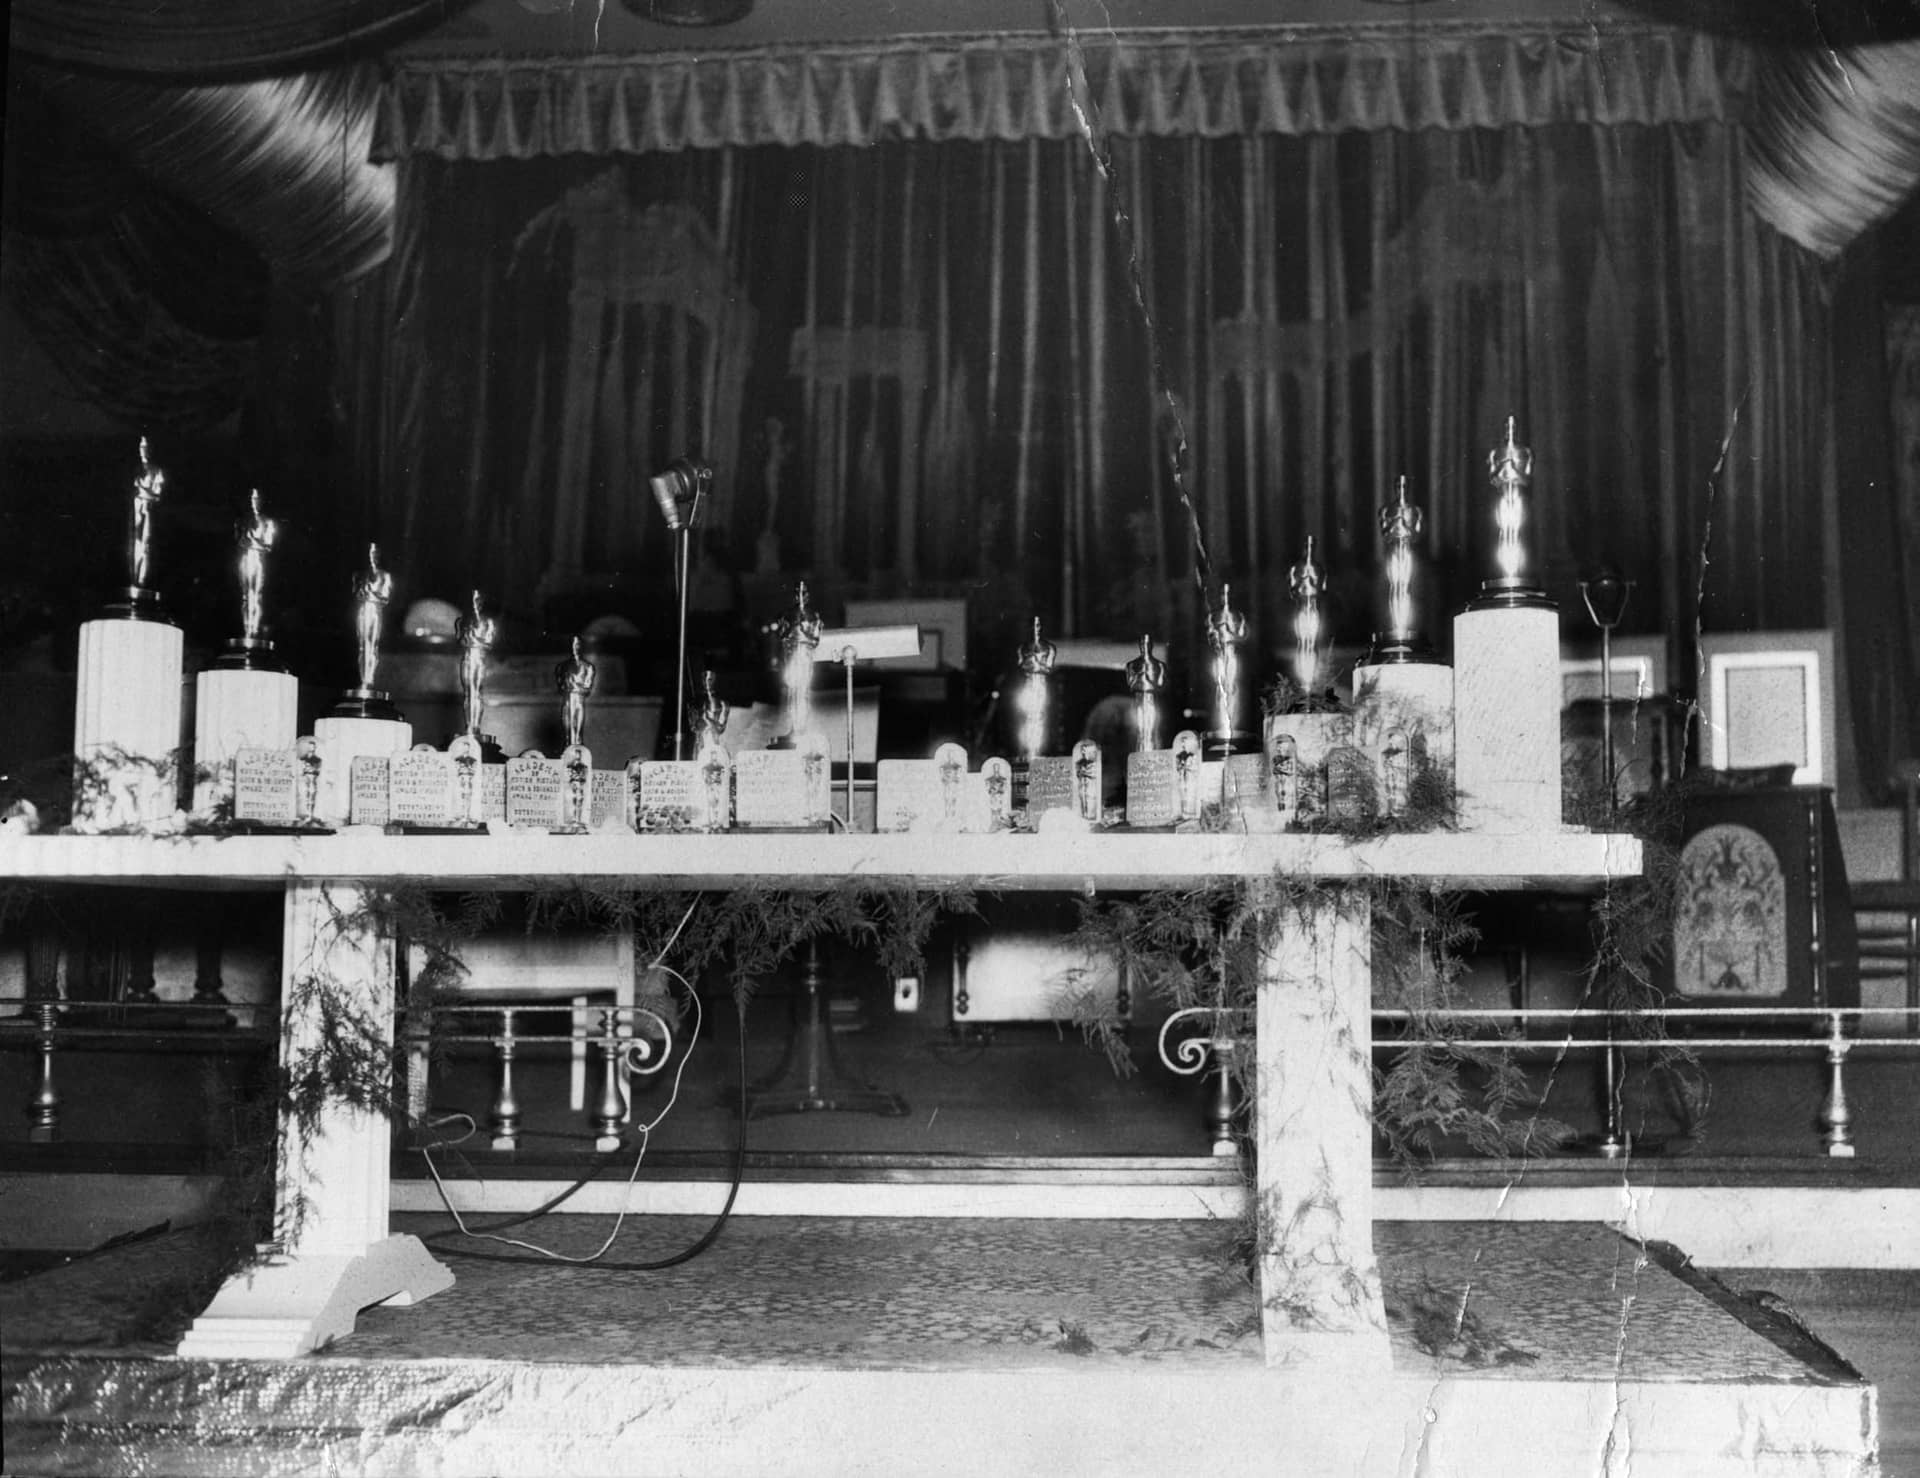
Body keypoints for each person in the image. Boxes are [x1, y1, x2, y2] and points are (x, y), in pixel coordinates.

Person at [236, 490, 279, 642]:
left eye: (256, 498)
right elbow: (239, 541)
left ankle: (254, 629)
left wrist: (251, 543)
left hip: (258, 559)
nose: (252, 501)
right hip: (245, 558)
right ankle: (246, 629)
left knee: (257, 595)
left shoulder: (267, 522)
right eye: (250, 498)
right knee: (245, 596)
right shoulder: (241, 521)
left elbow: (268, 546)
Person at [351, 546, 395, 692]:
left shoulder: (385, 576)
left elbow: (385, 598)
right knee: (363, 646)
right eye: (369, 553)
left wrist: (370, 593)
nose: (371, 556)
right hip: (363, 610)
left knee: (373, 645)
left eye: (374, 553)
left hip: (376, 610)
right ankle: (363, 679)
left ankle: (370, 679)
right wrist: (364, 593)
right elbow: (356, 594)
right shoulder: (358, 575)